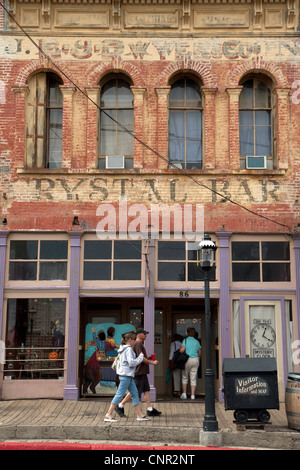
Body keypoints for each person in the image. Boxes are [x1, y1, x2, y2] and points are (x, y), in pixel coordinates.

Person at [104, 332, 150, 422]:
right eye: (133, 340)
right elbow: (131, 363)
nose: (134, 342)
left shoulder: (123, 349)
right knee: (119, 394)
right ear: (130, 340)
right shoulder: (128, 350)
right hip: (126, 376)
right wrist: (140, 358)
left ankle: (139, 415)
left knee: (135, 393)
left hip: (126, 375)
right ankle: (108, 414)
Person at [116, 328, 162, 417]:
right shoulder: (137, 344)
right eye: (144, 333)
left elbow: (141, 357)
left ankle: (150, 409)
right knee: (135, 390)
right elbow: (141, 358)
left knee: (146, 390)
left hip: (142, 371)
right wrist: (152, 362)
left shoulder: (139, 344)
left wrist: (148, 358)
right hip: (138, 372)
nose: (145, 335)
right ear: (138, 334)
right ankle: (120, 405)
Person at [180, 327, 201, 400]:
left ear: (187, 333)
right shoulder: (197, 342)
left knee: (185, 376)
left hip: (187, 359)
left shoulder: (185, 340)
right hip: (195, 359)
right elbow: (199, 353)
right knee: (193, 377)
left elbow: (182, 350)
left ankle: (184, 394)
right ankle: (192, 395)